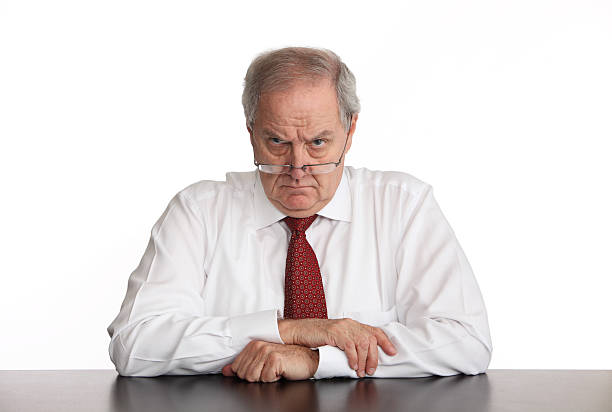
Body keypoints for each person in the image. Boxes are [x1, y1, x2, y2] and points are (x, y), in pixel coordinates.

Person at [106, 46, 492, 382]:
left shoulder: (403, 205)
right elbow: (135, 344)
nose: (297, 168)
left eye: (318, 143)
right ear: (250, 130)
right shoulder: (198, 211)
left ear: (350, 129)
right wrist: (290, 331)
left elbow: (465, 341)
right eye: (277, 142)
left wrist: (315, 359)